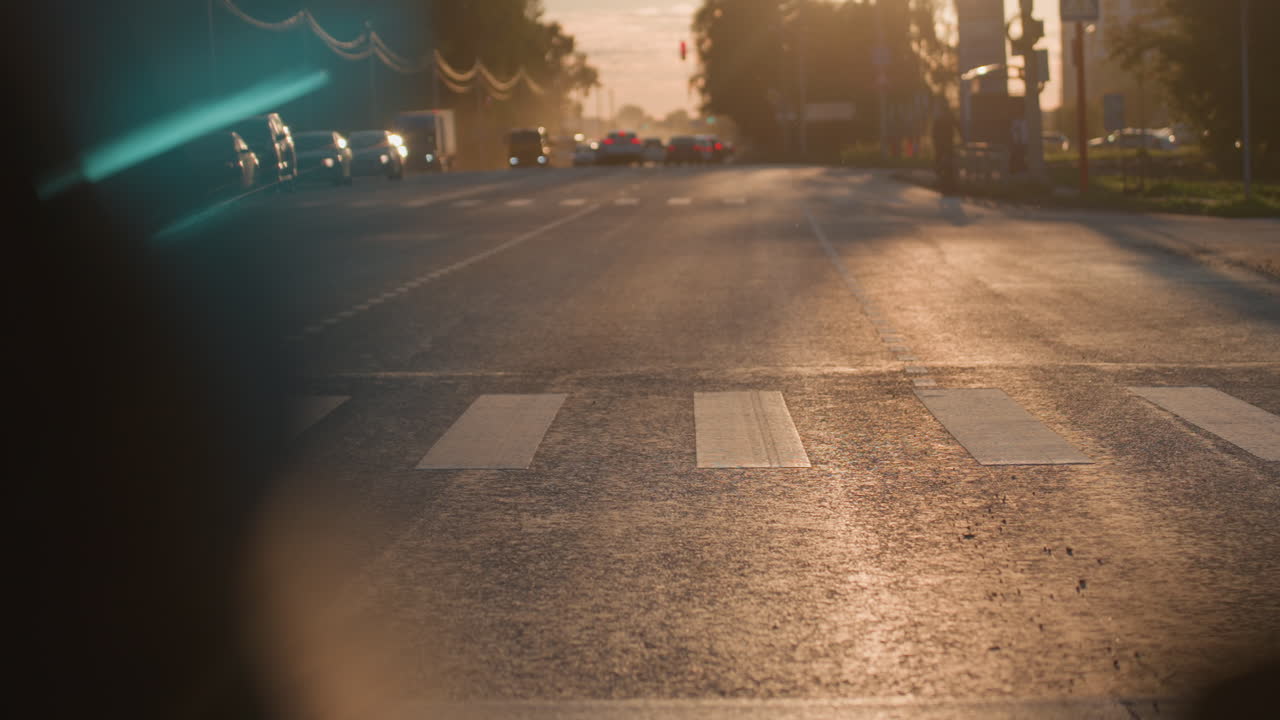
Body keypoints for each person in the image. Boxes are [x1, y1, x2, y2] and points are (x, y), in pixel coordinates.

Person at [931, 102, 958, 193]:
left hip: (940, 144)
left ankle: (940, 175)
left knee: (939, 158)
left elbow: (934, 132)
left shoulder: (939, 118)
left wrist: (935, 142)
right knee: (949, 159)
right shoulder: (950, 117)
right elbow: (958, 126)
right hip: (948, 143)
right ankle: (948, 178)